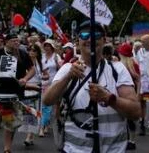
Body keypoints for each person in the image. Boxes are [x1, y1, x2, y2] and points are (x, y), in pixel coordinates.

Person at [43, 20, 140, 152]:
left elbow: (136, 112)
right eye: (84, 35)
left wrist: (109, 98)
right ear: (77, 42)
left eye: (96, 35)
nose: (90, 39)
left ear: (104, 40)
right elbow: (47, 100)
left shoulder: (118, 69)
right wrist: (68, 77)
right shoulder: (68, 69)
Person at [117, 41, 141, 150]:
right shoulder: (122, 64)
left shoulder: (131, 64)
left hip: (129, 92)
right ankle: (129, 139)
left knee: (129, 117)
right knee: (124, 117)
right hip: (123, 92)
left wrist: (137, 94)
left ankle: (132, 140)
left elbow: (138, 80)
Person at [40, 39, 62, 138]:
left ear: (52, 47)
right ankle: (44, 124)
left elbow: (61, 68)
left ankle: (44, 126)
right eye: (45, 46)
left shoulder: (56, 56)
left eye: (49, 46)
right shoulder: (41, 57)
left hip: (53, 82)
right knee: (43, 105)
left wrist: (57, 63)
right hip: (43, 82)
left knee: (48, 105)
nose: (47, 47)